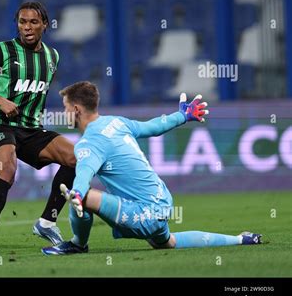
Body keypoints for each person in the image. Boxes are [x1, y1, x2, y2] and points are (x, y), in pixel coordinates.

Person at [42, 81, 262, 255]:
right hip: (162, 202)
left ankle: (78, 245)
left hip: (143, 212)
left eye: (66, 107)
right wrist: (183, 115)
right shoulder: (116, 122)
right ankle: (241, 239)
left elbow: (84, 173)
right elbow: (153, 127)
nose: (65, 112)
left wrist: (78, 193)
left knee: (81, 197)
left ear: (77, 109)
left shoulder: (89, 143)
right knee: (168, 243)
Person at [0, 1, 76, 254]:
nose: (27, 27)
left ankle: (47, 221)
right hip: (1, 125)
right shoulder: (1, 52)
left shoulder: (52, 57)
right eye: (22, 22)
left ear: (45, 25)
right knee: (8, 169)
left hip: (32, 130)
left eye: (33, 22)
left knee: (75, 159)